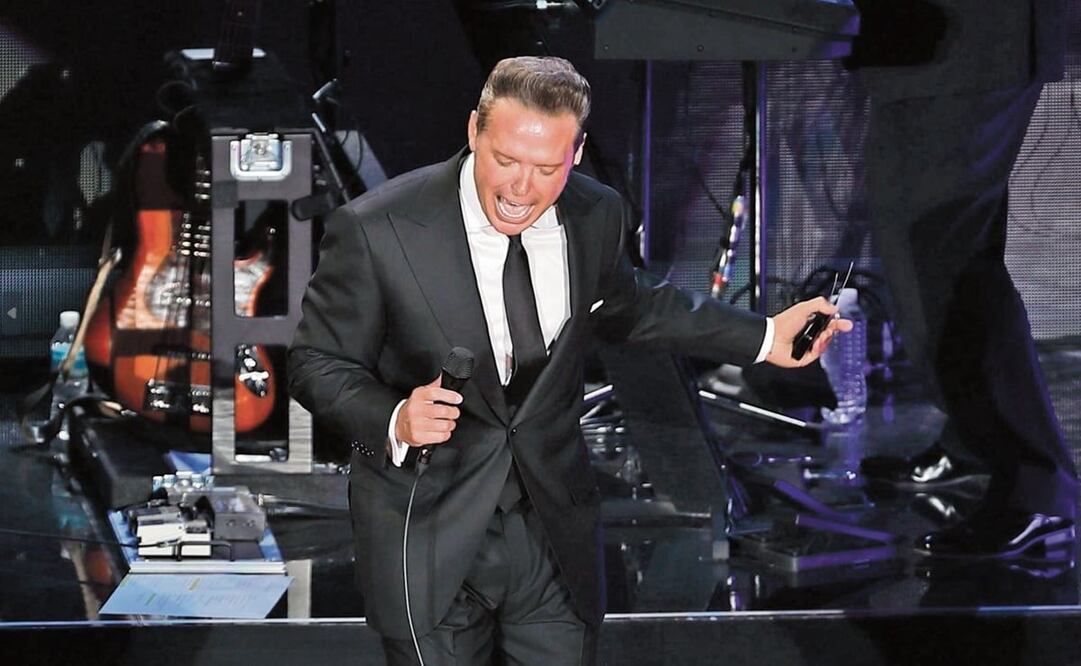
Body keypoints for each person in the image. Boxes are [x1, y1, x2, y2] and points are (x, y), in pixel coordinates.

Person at [288, 56, 850, 665]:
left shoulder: (594, 212)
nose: (520, 189)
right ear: (474, 131)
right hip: (428, 531)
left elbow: (635, 307)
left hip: (551, 535)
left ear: (576, 154)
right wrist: (396, 417)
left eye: (546, 168)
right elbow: (316, 361)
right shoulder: (378, 228)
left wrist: (765, 336)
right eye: (506, 160)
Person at [850, 0, 1078, 556]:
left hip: (970, 34)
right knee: (929, 252)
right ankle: (977, 443)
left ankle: (1038, 485)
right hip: (921, 40)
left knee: (941, 256)